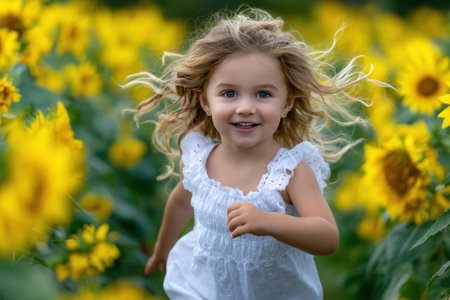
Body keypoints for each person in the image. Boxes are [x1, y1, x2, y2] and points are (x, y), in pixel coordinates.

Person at [126, 8, 372, 300]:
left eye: (263, 94)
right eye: (229, 93)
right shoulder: (199, 159)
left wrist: (269, 222)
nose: (245, 107)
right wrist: (163, 248)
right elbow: (181, 202)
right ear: (205, 101)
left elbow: (327, 237)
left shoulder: (290, 171)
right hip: (207, 288)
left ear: (286, 104)